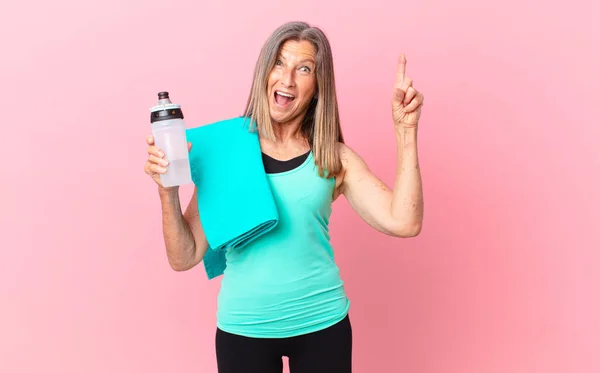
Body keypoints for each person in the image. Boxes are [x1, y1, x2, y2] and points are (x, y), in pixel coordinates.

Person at [143, 21, 424, 373]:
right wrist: (167, 193)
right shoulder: (225, 152)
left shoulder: (333, 157)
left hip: (323, 325)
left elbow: (405, 221)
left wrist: (406, 131)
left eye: (303, 68)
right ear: (265, 71)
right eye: (279, 62)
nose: (287, 78)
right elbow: (183, 257)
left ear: (318, 86)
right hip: (244, 330)